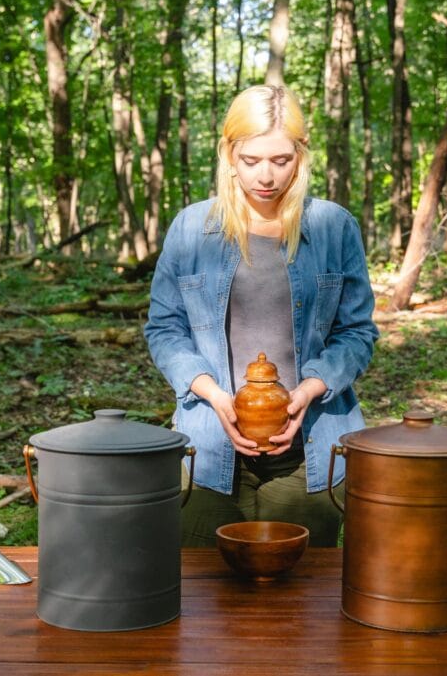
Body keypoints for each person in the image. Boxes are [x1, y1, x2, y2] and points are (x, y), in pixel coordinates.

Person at [144, 85, 378, 547]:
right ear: (229, 154)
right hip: (208, 448)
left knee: (301, 603)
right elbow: (165, 328)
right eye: (251, 160)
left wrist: (311, 388)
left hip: (312, 453)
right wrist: (212, 394)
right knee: (206, 601)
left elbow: (356, 333)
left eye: (281, 160)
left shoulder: (334, 227)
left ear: (301, 156)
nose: (266, 176)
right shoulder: (192, 228)